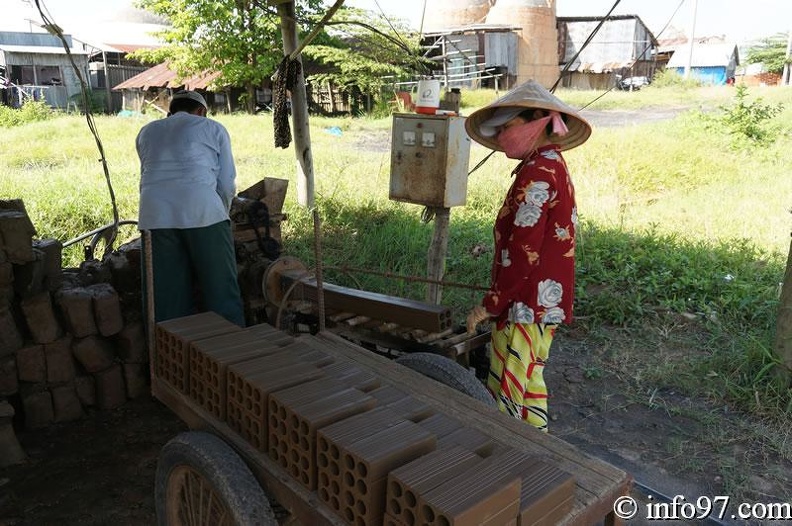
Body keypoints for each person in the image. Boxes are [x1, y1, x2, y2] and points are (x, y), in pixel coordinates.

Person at [464, 80, 592, 432]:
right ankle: (540, 448)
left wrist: (490, 304)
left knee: (508, 389)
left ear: (536, 119)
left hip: (523, 304)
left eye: (508, 127)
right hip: (543, 300)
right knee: (528, 381)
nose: (504, 135)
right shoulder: (552, 164)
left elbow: (523, 252)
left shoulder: (537, 172)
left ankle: (512, 457)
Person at [136, 89, 245, 326]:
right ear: (202, 111)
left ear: (170, 111)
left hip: (154, 215)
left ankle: (168, 354)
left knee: (165, 297)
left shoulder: (146, 132)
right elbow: (226, 182)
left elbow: (147, 176)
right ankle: (232, 352)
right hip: (203, 213)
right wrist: (222, 215)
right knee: (221, 290)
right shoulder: (213, 128)